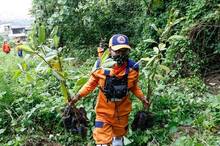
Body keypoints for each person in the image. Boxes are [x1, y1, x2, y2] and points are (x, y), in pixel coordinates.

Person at [69, 34, 149, 146]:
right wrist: (77, 96)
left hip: (122, 112)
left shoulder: (132, 67)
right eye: (117, 51)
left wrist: (142, 98)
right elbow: (90, 84)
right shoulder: (101, 66)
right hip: (103, 112)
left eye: (124, 51)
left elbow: (134, 86)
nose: (121, 54)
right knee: (102, 143)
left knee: (118, 141)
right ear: (110, 50)